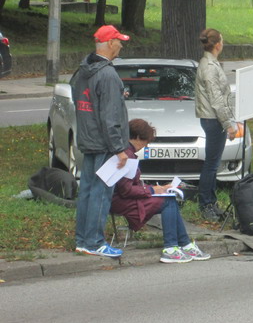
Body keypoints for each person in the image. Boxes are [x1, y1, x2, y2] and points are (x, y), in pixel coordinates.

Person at [111, 119, 211, 263]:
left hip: (118, 198)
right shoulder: (128, 155)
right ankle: (172, 247)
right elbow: (126, 190)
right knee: (167, 201)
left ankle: (184, 243)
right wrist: (152, 189)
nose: (145, 146)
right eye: (146, 142)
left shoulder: (125, 151)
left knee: (168, 198)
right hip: (120, 200)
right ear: (138, 137)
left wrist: (159, 189)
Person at [73, 25, 130, 258]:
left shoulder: (83, 70)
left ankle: (82, 240)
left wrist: (116, 95)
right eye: (118, 41)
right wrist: (119, 148)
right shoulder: (107, 74)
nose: (121, 45)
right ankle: (95, 242)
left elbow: (86, 101)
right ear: (108, 44)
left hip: (88, 140)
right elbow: (109, 117)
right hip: (105, 144)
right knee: (101, 193)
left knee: (86, 191)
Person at [195, 28, 237, 221]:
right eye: (222, 39)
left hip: (212, 118)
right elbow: (216, 99)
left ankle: (210, 201)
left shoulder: (210, 63)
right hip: (213, 119)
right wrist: (228, 123)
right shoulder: (209, 67)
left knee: (213, 163)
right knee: (211, 165)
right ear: (218, 44)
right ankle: (206, 204)